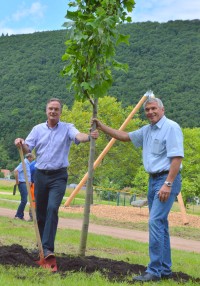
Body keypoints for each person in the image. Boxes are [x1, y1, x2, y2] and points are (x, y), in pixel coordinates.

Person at [92, 97, 184, 282]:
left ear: (162, 109)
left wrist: (168, 184)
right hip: (153, 180)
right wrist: (102, 127)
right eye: (147, 110)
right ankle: (165, 270)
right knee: (161, 224)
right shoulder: (147, 130)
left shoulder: (171, 127)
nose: (150, 112)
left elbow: (177, 158)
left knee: (155, 221)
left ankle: (154, 271)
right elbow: (125, 136)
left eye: (153, 108)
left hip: (166, 179)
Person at [14, 98, 98, 259]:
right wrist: (20, 142)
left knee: (52, 208)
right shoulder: (37, 129)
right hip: (41, 175)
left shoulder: (67, 128)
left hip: (58, 176)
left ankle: (47, 249)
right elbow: (27, 149)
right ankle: (40, 246)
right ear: (46, 110)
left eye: (56, 109)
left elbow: (78, 136)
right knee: (40, 212)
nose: (53, 111)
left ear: (60, 112)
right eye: (50, 109)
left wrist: (89, 136)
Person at [14, 153, 34, 220]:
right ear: (29, 157)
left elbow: (26, 173)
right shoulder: (24, 163)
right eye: (32, 158)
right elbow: (16, 171)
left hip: (25, 183)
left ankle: (20, 216)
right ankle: (18, 215)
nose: (32, 159)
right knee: (24, 200)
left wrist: (29, 181)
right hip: (22, 183)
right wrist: (17, 181)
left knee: (24, 200)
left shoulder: (27, 163)